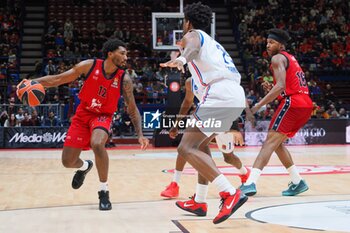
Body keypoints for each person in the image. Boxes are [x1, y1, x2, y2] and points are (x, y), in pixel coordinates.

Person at [17, 39, 149, 210]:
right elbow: (58, 79)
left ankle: (103, 191)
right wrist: (32, 82)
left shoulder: (124, 79)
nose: (126, 57)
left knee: (97, 143)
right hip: (83, 114)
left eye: (126, 54)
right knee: (68, 161)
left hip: (102, 116)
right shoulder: (89, 65)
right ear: (110, 54)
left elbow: (132, 108)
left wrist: (139, 133)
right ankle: (86, 166)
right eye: (122, 53)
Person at [160, 2, 247, 224]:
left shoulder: (193, 35)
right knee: (200, 145)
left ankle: (229, 192)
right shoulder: (214, 43)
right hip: (233, 94)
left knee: (186, 147)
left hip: (219, 94)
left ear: (187, 21)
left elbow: (192, 48)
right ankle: (199, 200)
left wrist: (180, 59)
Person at [240, 29, 313, 197]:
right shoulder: (290, 58)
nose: (268, 45)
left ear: (281, 45)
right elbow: (286, 86)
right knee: (277, 143)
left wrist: (258, 105)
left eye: (271, 42)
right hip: (305, 103)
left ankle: (250, 183)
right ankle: (297, 182)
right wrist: (277, 91)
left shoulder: (277, 58)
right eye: (267, 42)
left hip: (293, 103)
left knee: (269, 142)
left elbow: (281, 86)